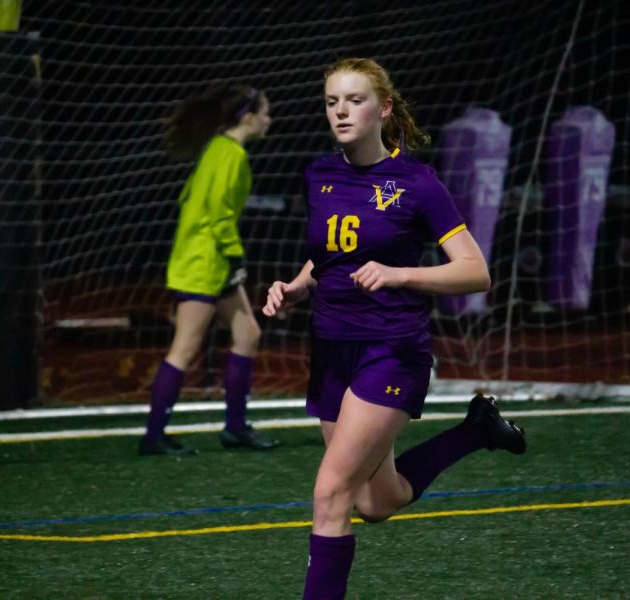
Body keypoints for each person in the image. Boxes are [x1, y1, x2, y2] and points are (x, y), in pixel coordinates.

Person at [262, 58, 526, 599]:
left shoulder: (417, 183)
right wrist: (294, 287)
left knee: (330, 493)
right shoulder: (318, 174)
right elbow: (329, 256)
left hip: (392, 351)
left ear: (383, 109)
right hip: (332, 350)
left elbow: (476, 272)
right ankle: (477, 429)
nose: (340, 110)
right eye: (332, 100)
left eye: (354, 100)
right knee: (376, 502)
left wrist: (401, 273)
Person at [138, 83, 279, 456]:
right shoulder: (230, 154)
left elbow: (192, 202)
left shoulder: (218, 148)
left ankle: (235, 428)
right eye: (265, 111)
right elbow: (218, 215)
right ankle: (153, 436)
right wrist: (234, 258)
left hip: (208, 260)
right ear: (248, 118)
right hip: (206, 264)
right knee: (184, 349)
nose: (269, 118)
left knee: (247, 333)